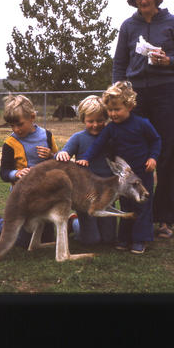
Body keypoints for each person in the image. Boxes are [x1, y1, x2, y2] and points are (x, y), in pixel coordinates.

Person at [112, 0, 174, 238]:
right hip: (136, 97)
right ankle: (138, 215)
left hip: (165, 94)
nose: (143, 0)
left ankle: (165, 219)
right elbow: (119, 64)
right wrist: (118, 93)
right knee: (136, 155)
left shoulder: (173, 22)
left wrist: (168, 61)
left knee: (165, 157)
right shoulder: (128, 26)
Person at [77, 81, 161, 254]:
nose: (113, 114)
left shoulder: (142, 123)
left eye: (117, 109)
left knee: (142, 205)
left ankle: (139, 239)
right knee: (126, 205)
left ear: (129, 106)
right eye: (110, 110)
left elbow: (156, 140)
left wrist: (153, 158)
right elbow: (98, 145)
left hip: (143, 173)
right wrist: (85, 158)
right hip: (123, 176)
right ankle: (124, 238)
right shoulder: (111, 129)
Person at [0, 94, 58, 245]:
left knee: (47, 240)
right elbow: (4, 173)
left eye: (19, 124)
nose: (16, 129)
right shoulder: (10, 143)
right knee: (23, 242)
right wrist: (16, 174)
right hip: (22, 198)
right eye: (12, 125)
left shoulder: (47, 136)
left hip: (46, 195)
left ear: (32, 117)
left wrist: (51, 155)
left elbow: (58, 163)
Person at [55, 95, 116, 245]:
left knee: (109, 239)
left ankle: (99, 228)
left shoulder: (111, 137)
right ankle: (75, 223)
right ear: (83, 120)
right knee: (91, 241)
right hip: (85, 195)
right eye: (90, 121)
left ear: (106, 118)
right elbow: (63, 153)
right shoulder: (78, 138)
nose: (95, 125)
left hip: (107, 192)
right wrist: (61, 153)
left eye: (100, 120)